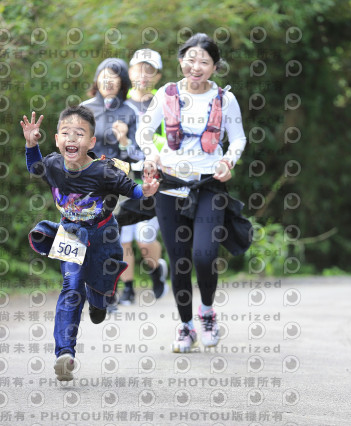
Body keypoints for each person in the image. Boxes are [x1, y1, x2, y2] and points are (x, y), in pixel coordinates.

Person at [20, 107, 159, 380]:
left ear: (91, 142)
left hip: (103, 234)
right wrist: (31, 144)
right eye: (66, 133)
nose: (72, 138)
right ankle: (64, 353)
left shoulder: (104, 171)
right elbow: (34, 166)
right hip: (71, 233)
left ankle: (100, 301)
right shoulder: (53, 164)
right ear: (57, 140)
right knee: (71, 287)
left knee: (100, 291)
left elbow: (132, 189)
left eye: (79, 134)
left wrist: (146, 190)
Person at [137, 34, 247, 353]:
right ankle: (186, 327)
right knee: (179, 260)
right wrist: (151, 154)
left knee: (204, 255)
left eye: (204, 62)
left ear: (215, 67)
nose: (196, 67)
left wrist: (228, 160)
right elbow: (145, 131)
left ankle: (207, 312)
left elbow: (238, 139)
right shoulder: (166, 94)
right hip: (170, 185)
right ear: (180, 60)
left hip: (209, 184)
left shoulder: (225, 99)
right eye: (190, 59)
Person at [80, 57, 143, 312]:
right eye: (104, 75)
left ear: (122, 83)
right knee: (84, 238)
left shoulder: (130, 111)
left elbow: (139, 155)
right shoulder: (84, 110)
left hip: (116, 184)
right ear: (97, 79)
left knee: (110, 238)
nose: (108, 81)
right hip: (85, 184)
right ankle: (83, 289)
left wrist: (125, 140)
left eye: (114, 77)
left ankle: (108, 294)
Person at [118, 48, 169, 306]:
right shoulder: (119, 104)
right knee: (123, 237)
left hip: (154, 176)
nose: (143, 74)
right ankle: (128, 288)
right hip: (123, 177)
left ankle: (156, 270)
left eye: (149, 70)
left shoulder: (165, 103)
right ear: (130, 72)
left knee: (145, 236)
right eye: (139, 68)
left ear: (157, 76)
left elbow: (170, 139)